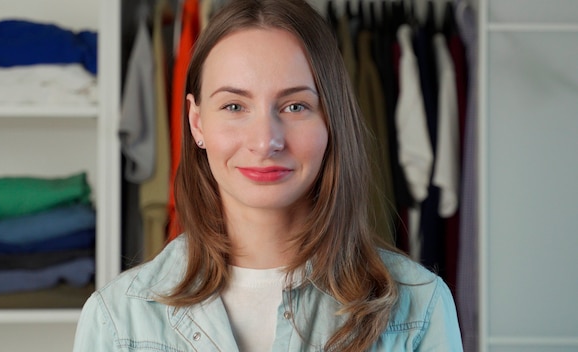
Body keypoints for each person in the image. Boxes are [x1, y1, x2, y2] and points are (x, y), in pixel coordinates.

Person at [73, 0, 464, 351]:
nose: (265, 142)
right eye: (234, 106)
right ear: (197, 123)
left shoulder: (419, 307)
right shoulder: (117, 318)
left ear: (332, 119)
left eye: (295, 106)